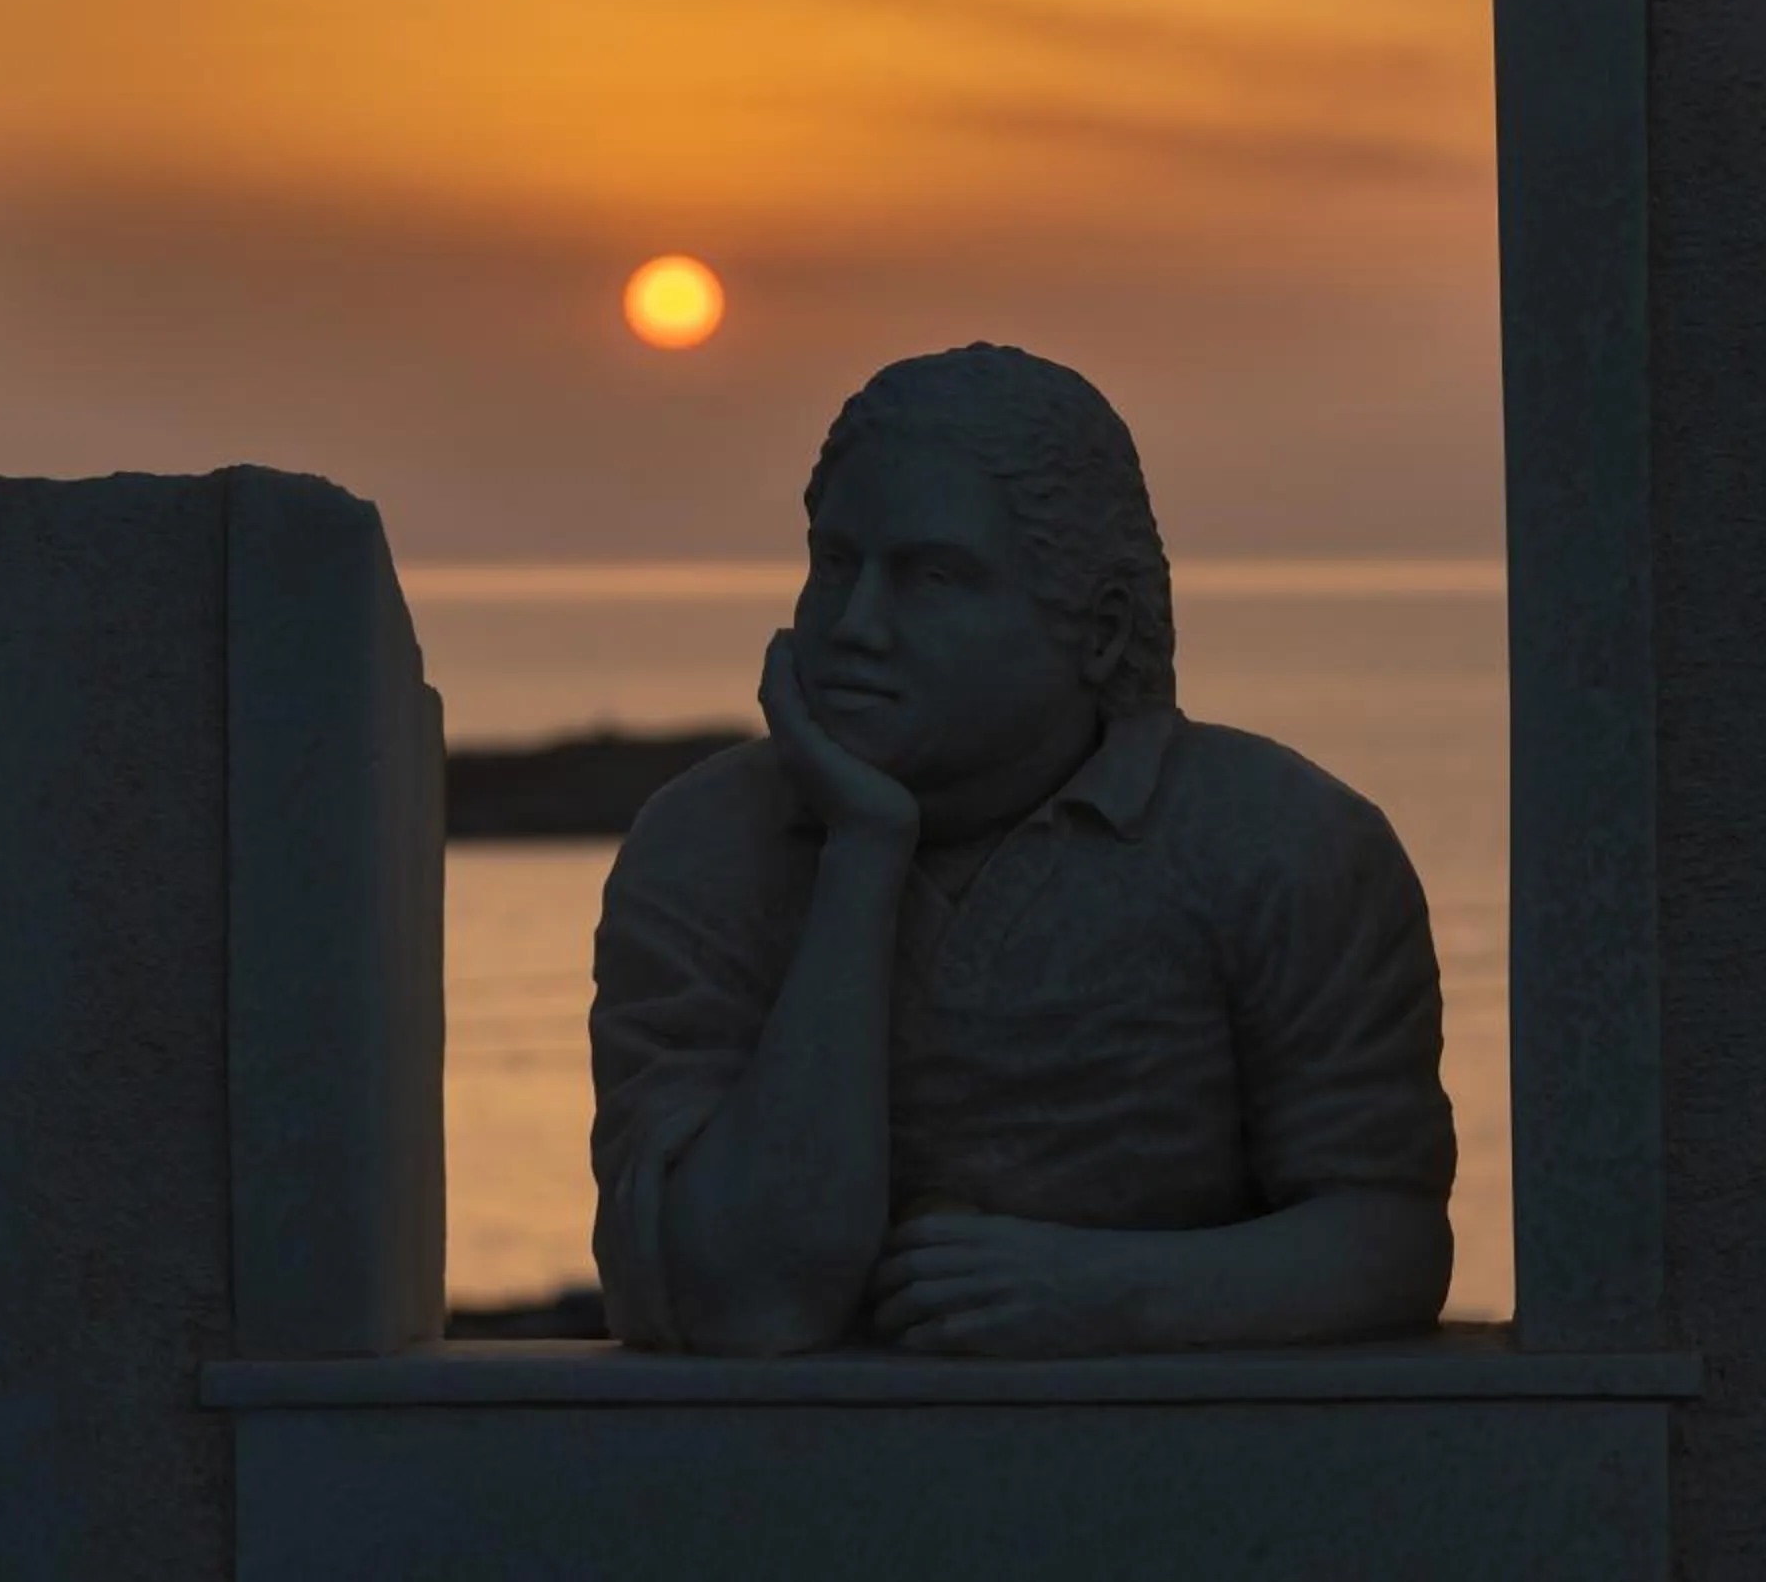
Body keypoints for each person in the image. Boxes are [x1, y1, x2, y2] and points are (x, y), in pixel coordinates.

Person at [588, 344, 1456, 1356]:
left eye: (934, 576)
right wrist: (862, 852)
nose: (856, 624)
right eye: (834, 564)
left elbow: (1387, 1238)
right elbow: (748, 1302)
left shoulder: (1286, 845)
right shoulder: (703, 847)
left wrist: (1110, 1293)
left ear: (1098, 629)